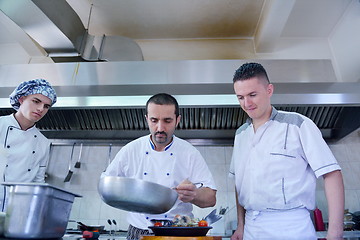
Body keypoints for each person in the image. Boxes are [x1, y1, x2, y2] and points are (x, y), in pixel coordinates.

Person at [229, 63, 344, 240]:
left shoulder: (298, 124)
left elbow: (332, 174)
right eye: (240, 97)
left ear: (269, 90)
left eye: (252, 95)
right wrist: (241, 225)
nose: (247, 103)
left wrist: (335, 234)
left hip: (292, 226)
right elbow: (240, 183)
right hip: (252, 228)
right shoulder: (240, 134)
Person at [101, 93, 217, 240]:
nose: (160, 128)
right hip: (138, 232)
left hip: (177, 232)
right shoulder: (131, 150)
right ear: (146, 119)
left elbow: (211, 198)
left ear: (177, 120)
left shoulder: (189, 153)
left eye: (167, 121)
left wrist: (194, 194)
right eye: (154, 120)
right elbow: (108, 183)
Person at [0, 79, 57, 211]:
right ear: (21, 99)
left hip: (17, 213)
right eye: (36, 101)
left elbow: (38, 182)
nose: (40, 109)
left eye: (46, 106)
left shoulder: (43, 143)